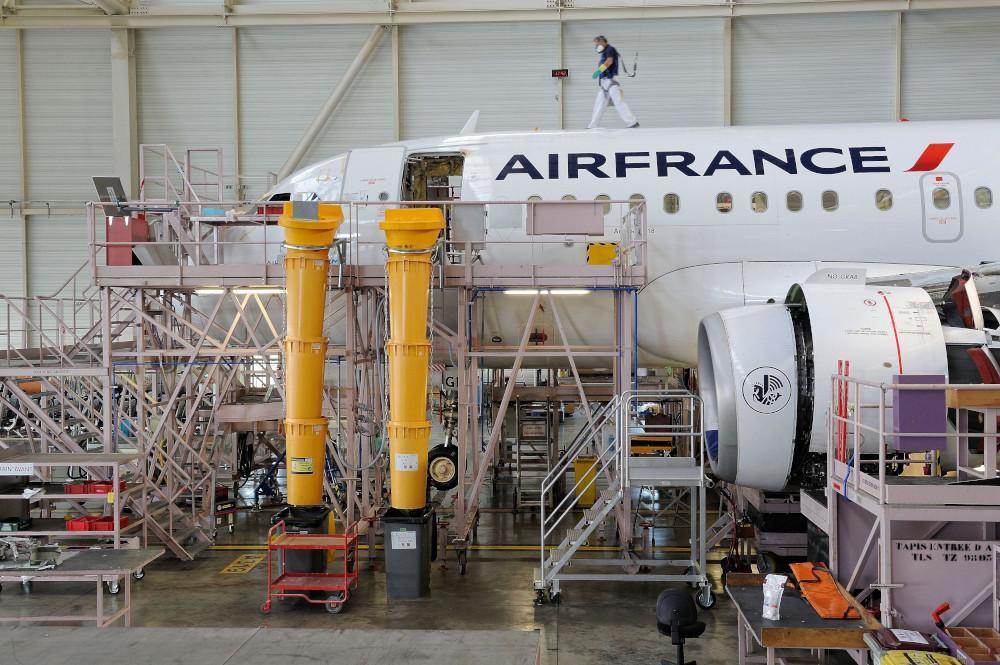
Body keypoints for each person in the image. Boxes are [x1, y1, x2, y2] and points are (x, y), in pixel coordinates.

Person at [588, 36, 639, 129]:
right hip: (604, 83)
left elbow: (609, 62)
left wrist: (598, 71)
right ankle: (592, 125)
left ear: (603, 42)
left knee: (618, 102)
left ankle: (632, 122)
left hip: (611, 81)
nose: (596, 46)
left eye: (597, 43)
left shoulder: (610, 49)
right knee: (599, 104)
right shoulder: (604, 53)